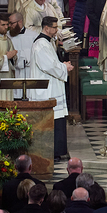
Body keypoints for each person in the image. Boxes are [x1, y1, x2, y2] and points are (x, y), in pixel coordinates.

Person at [29, 16, 74, 161]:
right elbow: (48, 66)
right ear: (46, 28)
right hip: (46, 90)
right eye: (54, 28)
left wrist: (62, 65)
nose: (56, 30)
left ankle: (57, 151)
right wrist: (64, 67)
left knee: (57, 120)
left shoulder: (47, 42)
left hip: (52, 87)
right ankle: (51, 152)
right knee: (51, 121)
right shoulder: (41, 44)